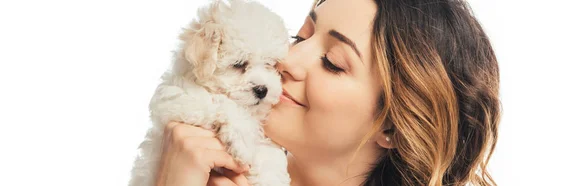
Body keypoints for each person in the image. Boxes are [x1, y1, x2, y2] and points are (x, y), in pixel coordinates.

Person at [153, 0, 501, 185]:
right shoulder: (188, 154)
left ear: (393, 127)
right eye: (301, 36)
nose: (287, 60)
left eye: (332, 62)